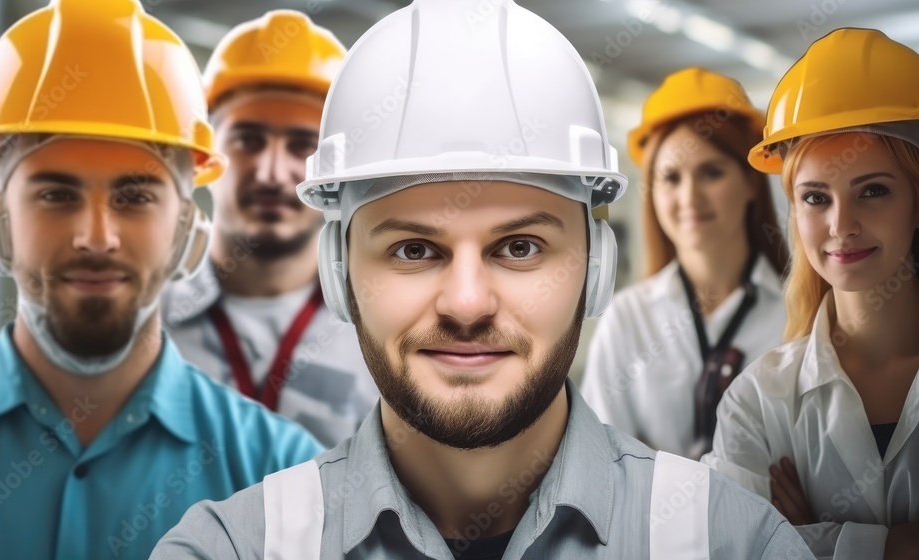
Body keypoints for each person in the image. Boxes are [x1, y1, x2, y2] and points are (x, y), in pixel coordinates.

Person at [151, 1, 814, 558]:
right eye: (414, 250)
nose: (467, 303)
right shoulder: (231, 548)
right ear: (337, 273)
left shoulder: (734, 542)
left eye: (519, 247)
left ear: (597, 268)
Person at [0, 1, 321, 558]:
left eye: (134, 197)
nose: (97, 237)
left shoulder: (283, 475)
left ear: (187, 228)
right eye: (56, 195)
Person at [704, 28, 919, 560]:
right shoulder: (757, 402)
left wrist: (811, 541)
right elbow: (728, 551)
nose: (841, 226)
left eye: (873, 190)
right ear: (794, 213)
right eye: (816, 198)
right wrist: (896, 546)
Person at [161, 11, 380, 448]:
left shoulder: (383, 331)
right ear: (206, 154)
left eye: (301, 145)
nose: (272, 171)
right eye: (248, 140)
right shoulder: (145, 329)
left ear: (334, 169)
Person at [581, 67, 789, 459]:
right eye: (671, 177)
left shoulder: (799, 313)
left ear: (749, 182)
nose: (689, 196)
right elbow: (602, 465)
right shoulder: (628, 318)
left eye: (711, 172)